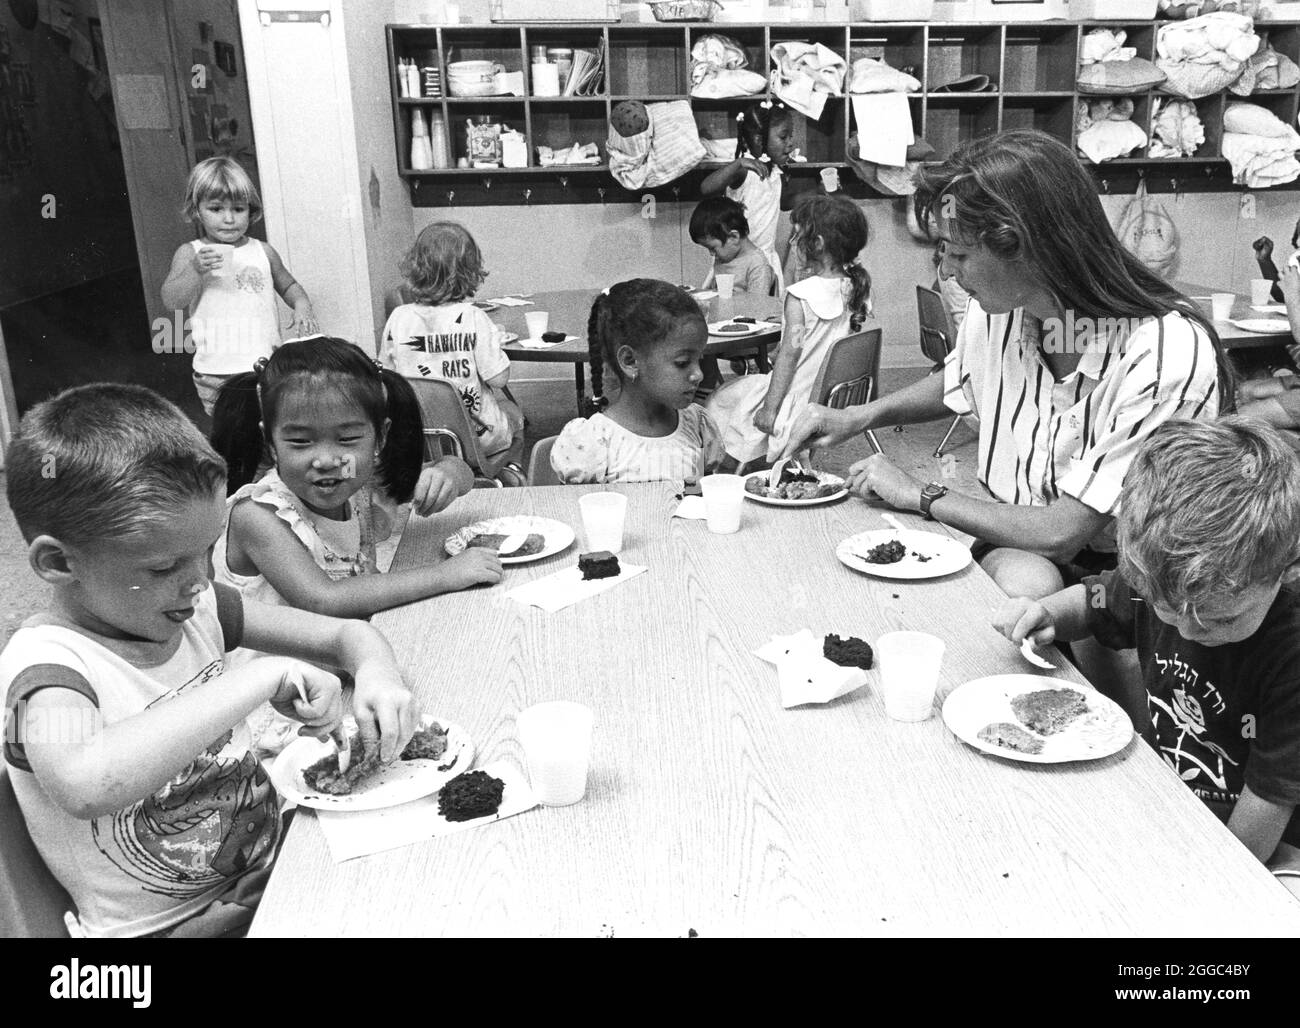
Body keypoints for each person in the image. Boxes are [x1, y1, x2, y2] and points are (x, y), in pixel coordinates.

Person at [1, 383, 419, 937]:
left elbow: (347, 637)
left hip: (272, 875)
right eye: (163, 566)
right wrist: (258, 676)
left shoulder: (195, 607)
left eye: (206, 550)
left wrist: (377, 676)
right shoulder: (48, 672)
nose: (200, 580)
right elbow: (87, 781)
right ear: (57, 562)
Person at [781, 129, 1235, 601]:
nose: (948, 273)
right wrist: (858, 416)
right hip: (1023, 544)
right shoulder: (1009, 309)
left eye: (959, 254)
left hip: (1133, 583)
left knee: (1033, 593)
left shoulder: (1164, 356)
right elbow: (961, 379)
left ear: (1021, 245)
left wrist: (921, 493)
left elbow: (1065, 532)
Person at [992, 417, 1300, 899]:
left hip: (1269, 843)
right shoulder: (1163, 581)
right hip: (1172, 796)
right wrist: (1047, 613)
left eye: (1221, 620)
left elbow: (1265, 811)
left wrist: (1196, 882)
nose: (1190, 630)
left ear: (1288, 568)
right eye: (1165, 610)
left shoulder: (1291, 652)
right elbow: (1095, 603)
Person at [211, 337, 500, 619]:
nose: (325, 461)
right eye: (300, 441)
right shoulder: (258, 514)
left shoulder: (353, 480)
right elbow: (325, 599)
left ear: (379, 438)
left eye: (347, 438)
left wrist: (447, 472)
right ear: (271, 442)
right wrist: (445, 574)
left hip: (349, 653)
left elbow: (462, 475)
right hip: (282, 667)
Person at [706, 193, 870, 470]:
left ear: (816, 244)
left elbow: (788, 357)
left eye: (796, 236)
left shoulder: (799, 295)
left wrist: (770, 409)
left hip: (794, 396)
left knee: (720, 398)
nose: (791, 243)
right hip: (831, 394)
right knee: (737, 393)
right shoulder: (856, 285)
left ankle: (729, 472)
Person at [161, 156, 318, 416]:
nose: (229, 219)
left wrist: (302, 305)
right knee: (231, 439)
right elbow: (171, 300)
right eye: (216, 209)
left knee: (268, 431)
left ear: (251, 209)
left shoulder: (263, 252)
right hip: (215, 373)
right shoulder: (191, 253)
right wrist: (195, 270)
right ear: (197, 210)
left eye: (238, 209)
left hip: (264, 367)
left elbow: (289, 285)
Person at [380, 222, 526, 483]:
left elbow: (386, 377)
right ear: (469, 272)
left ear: (415, 266)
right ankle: (510, 472)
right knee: (515, 414)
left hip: (417, 440)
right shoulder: (473, 317)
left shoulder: (398, 318)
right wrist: (496, 344)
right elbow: (498, 379)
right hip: (475, 440)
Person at [550, 279, 723, 487]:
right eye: (683, 363)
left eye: (700, 360)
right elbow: (575, 512)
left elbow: (698, 501)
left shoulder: (697, 426)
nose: (698, 374)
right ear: (630, 362)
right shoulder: (594, 442)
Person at [700, 100, 795, 291]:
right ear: (760, 140)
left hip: (765, 258)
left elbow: (782, 203)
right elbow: (706, 188)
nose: (791, 143)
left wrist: (817, 194)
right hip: (736, 261)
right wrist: (738, 164)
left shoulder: (776, 172)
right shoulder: (745, 172)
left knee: (764, 314)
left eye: (791, 136)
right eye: (784, 137)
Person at [689, 196, 777, 297]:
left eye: (712, 248)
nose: (711, 254)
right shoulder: (723, 258)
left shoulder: (758, 265)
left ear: (734, 237)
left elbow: (757, 306)